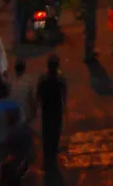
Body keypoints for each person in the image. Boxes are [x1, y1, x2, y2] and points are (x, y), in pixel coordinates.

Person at [36, 54, 67, 184]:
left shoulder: (43, 79)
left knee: (46, 134)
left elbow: (38, 95)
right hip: (57, 110)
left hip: (47, 110)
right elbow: (64, 95)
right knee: (55, 133)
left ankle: (47, 159)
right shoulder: (61, 79)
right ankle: (53, 156)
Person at [10, 59, 38, 128]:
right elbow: (33, 101)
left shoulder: (10, 82)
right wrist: (34, 115)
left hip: (12, 117)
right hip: (24, 118)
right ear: (24, 69)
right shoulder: (29, 82)